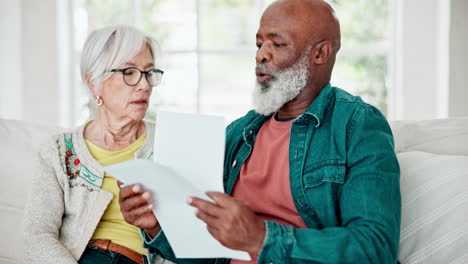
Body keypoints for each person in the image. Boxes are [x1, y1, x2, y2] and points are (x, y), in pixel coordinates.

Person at [119, 0, 402, 263]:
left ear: (320, 53)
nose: (261, 55)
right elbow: (208, 252)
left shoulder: (357, 125)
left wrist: (261, 238)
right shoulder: (240, 133)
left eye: (277, 45)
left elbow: (375, 248)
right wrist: (157, 227)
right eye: (259, 43)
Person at [21, 25, 173, 264]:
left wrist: (154, 227)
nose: (145, 85)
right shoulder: (59, 151)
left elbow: (190, 236)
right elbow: (36, 236)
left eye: (148, 73)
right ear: (94, 83)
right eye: (130, 72)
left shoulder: (170, 143)